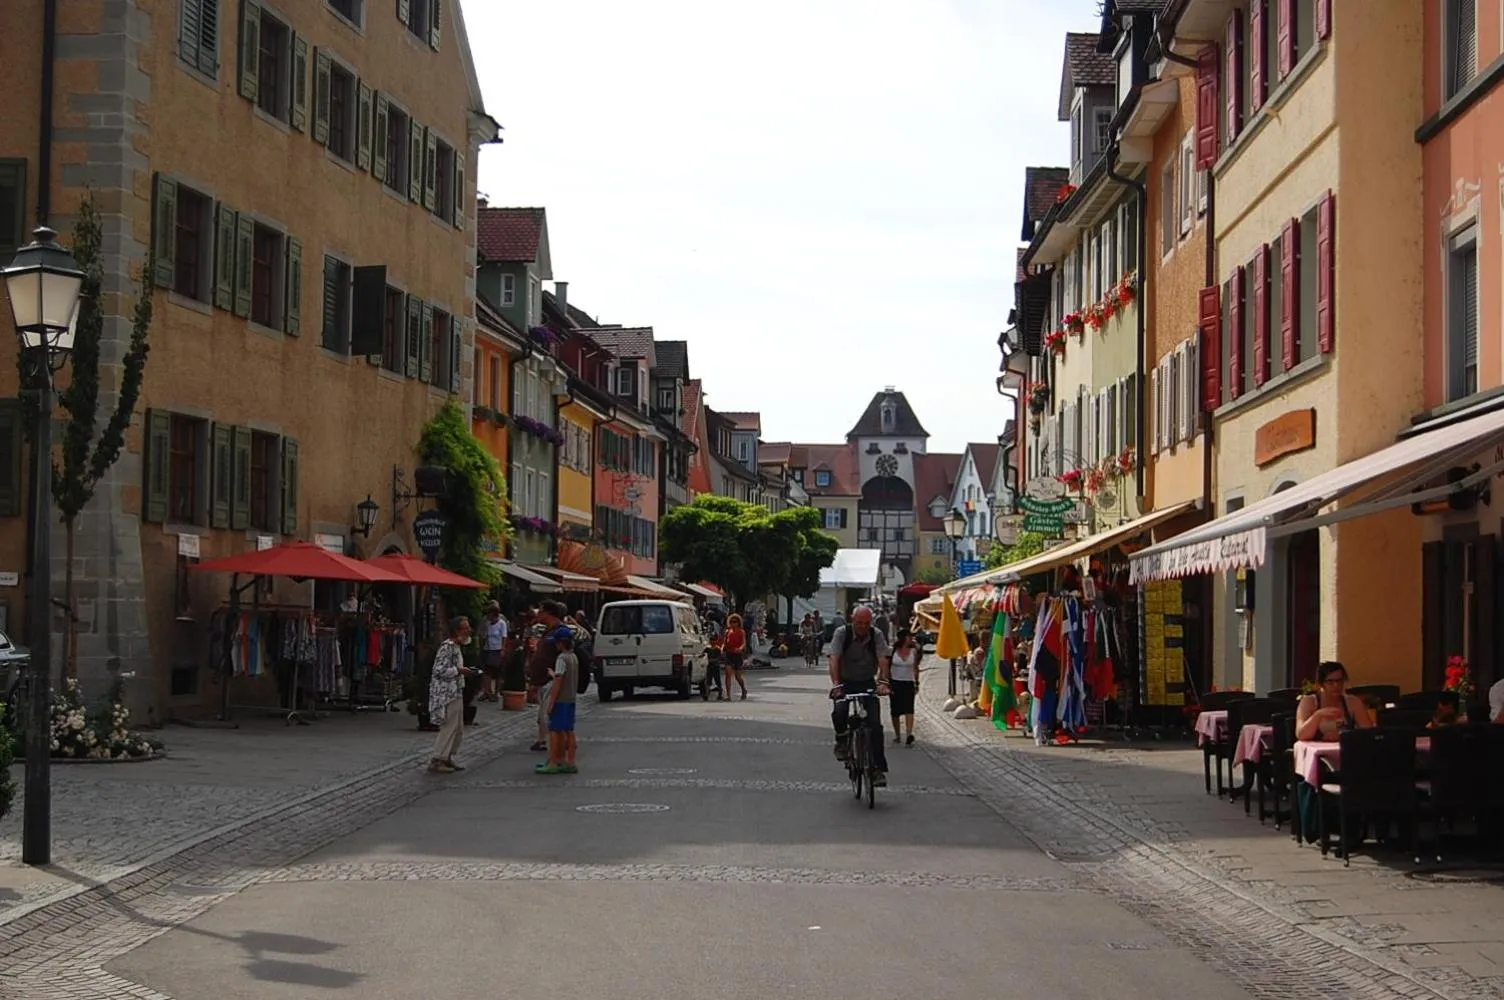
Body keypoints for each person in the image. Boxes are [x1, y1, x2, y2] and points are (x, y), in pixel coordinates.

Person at [829, 605, 891, 787]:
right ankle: (841, 740)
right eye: (859, 623)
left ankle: (877, 769)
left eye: (866, 623)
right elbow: (834, 658)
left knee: (875, 726)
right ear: (851, 619)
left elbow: (882, 659)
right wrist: (836, 685)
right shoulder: (842, 633)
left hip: (867, 681)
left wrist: (883, 683)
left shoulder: (876, 634)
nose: (863, 627)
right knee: (839, 711)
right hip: (845, 681)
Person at [428, 616, 477, 774]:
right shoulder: (447, 647)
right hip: (446, 693)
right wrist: (459, 671)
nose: (469, 630)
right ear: (457, 630)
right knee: (449, 727)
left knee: (458, 728)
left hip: (455, 690)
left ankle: (448, 756)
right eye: (466, 628)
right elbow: (438, 670)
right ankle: (438, 758)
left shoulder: (456, 647)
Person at [1295, 661, 1375, 742]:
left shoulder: (1352, 702)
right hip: (1317, 752)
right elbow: (1301, 735)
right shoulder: (1310, 702)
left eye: (1339, 681)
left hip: (1346, 751)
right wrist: (1317, 716)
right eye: (1330, 682)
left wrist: (1343, 736)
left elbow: (1369, 733)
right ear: (1321, 684)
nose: (1336, 685)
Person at [537, 628, 579, 775]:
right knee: (569, 730)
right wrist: (554, 675)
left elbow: (559, 681)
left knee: (555, 731)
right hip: (571, 698)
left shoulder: (561, 658)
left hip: (561, 700)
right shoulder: (573, 657)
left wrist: (551, 703)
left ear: (560, 643)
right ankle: (570, 761)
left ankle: (554, 762)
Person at [527, 600, 567, 752]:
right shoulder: (548, 631)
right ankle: (543, 740)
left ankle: (557, 746)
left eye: (542, 611)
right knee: (543, 714)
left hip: (553, 679)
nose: (539, 614)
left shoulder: (560, 632)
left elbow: (565, 655)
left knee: (548, 713)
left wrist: (558, 675)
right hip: (543, 680)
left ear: (549, 613)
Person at [888, 628, 922, 746]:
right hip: (895, 682)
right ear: (903, 638)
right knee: (895, 710)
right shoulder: (893, 650)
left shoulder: (914, 651)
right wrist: (885, 681)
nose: (911, 639)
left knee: (909, 708)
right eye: (908, 637)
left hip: (908, 683)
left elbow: (915, 667)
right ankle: (897, 734)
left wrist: (917, 682)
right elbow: (887, 667)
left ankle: (908, 734)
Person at [479, 601, 508, 703]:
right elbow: (484, 635)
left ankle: (496, 693)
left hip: (497, 649)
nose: (488, 616)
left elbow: (504, 637)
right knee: (487, 672)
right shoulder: (488, 624)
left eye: (489, 614)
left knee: (497, 672)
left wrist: (503, 649)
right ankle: (487, 692)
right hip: (488, 649)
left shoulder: (501, 623)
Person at [721, 613, 749, 701]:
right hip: (729, 654)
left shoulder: (741, 632)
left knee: (737, 676)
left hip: (738, 654)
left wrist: (740, 648)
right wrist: (722, 649)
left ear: (738, 622)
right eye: (732, 621)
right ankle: (728, 695)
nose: (733, 623)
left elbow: (743, 643)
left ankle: (743, 689)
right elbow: (724, 643)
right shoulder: (727, 632)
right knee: (728, 674)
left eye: (735, 621)